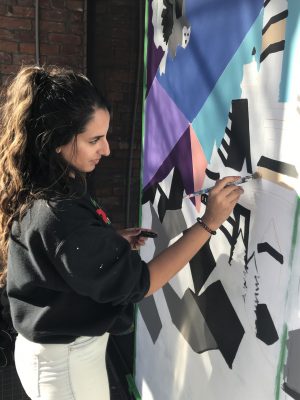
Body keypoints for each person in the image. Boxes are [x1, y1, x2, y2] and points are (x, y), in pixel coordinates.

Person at [0, 65, 243, 400]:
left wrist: (108, 239)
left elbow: (60, 249)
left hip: (62, 353)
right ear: (56, 141)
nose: (107, 150)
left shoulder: (50, 181)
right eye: (94, 140)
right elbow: (143, 283)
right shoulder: (58, 214)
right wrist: (208, 223)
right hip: (64, 366)